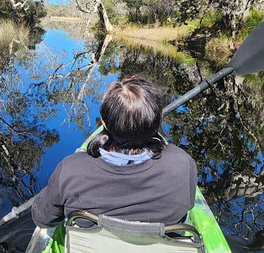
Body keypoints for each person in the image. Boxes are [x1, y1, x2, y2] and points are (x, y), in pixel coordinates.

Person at [31, 76, 197, 228]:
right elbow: (188, 205)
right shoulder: (182, 164)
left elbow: (42, 219)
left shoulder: (71, 171)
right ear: (156, 124)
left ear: (104, 123)